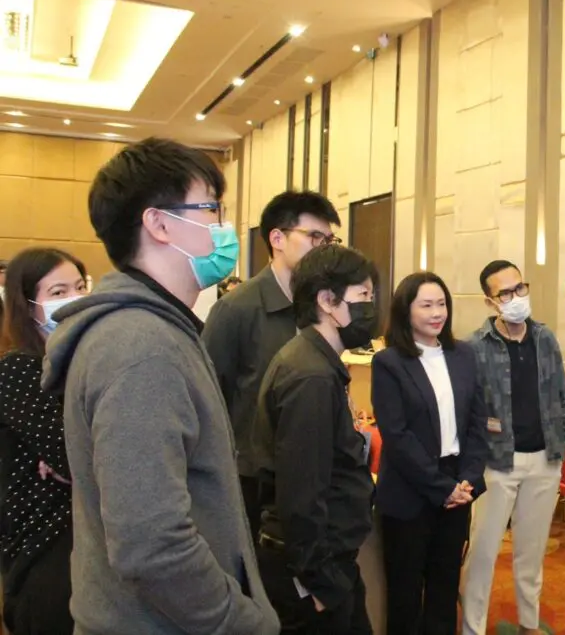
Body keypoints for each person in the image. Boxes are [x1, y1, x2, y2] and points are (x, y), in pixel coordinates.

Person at [40, 137, 279, 634]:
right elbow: (151, 543)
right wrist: (241, 622)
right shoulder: (141, 347)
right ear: (159, 223)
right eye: (210, 209)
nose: (222, 227)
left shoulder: (155, 330)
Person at [253, 244, 377, 634]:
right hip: (312, 569)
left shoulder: (315, 362)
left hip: (326, 561)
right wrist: (320, 582)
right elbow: (302, 493)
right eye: (363, 295)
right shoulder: (311, 376)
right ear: (327, 301)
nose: (371, 308)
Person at [203, 190, 340, 542]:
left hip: (309, 470)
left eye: (329, 240)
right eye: (314, 237)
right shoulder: (236, 309)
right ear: (277, 239)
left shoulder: (322, 307)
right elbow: (209, 398)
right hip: (252, 479)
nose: (324, 249)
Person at [371, 272, 489, 635]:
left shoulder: (464, 354)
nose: (437, 313)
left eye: (441, 304)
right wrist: (442, 488)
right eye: (426, 305)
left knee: (444, 587)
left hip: (457, 486)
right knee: (405, 594)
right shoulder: (389, 362)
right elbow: (397, 436)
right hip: (410, 490)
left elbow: (477, 423)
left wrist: (467, 479)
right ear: (406, 311)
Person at [461, 260, 565, 635]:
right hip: (497, 463)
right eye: (505, 293)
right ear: (490, 302)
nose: (516, 297)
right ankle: (472, 627)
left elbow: (561, 393)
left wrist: (560, 442)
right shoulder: (475, 347)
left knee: (531, 552)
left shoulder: (545, 338)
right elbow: (469, 409)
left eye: (519, 288)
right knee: (483, 552)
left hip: (545, 459)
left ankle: (529, 623)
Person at [0, 247, 87, 634]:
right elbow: (78, 459)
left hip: (90, 539)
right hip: (44, 545)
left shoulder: (81, 365)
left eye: (80, 287)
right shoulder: (19, 368)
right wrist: (81, 456)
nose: (74, 299)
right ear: (27, 305)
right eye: (58, 292)